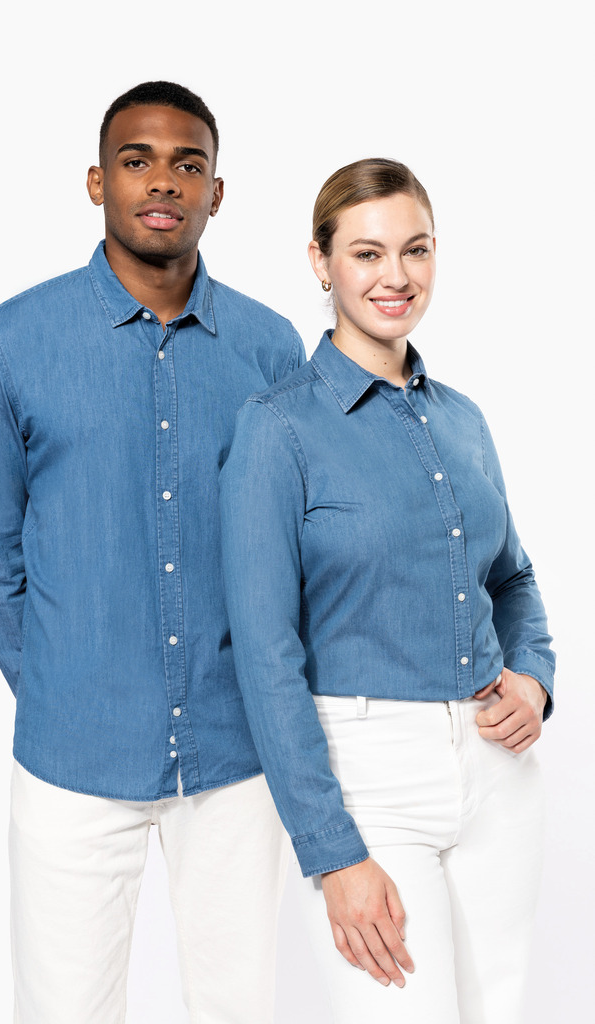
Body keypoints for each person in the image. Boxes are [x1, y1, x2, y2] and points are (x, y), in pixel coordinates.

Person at [0, 80, 304, 1024]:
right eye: (136, 160)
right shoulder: (11, 341)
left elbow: (302, 549)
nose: (162, 182)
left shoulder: (272, 350)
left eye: (188, 164)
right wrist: (66, 687)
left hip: (235, 757)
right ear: (96, 181)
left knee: (239, 1007)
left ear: (216, 193)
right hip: (72, 757)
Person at [220, 158, 555, 1023]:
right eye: (367, 253)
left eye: (416, 249)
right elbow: (265, 656)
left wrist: (535, 678)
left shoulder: (463, 419)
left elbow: (512, 577)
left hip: (498, 771)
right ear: (320, 261)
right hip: (367, 776)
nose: (395, 276)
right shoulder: (276, 428)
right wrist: (332, 852)